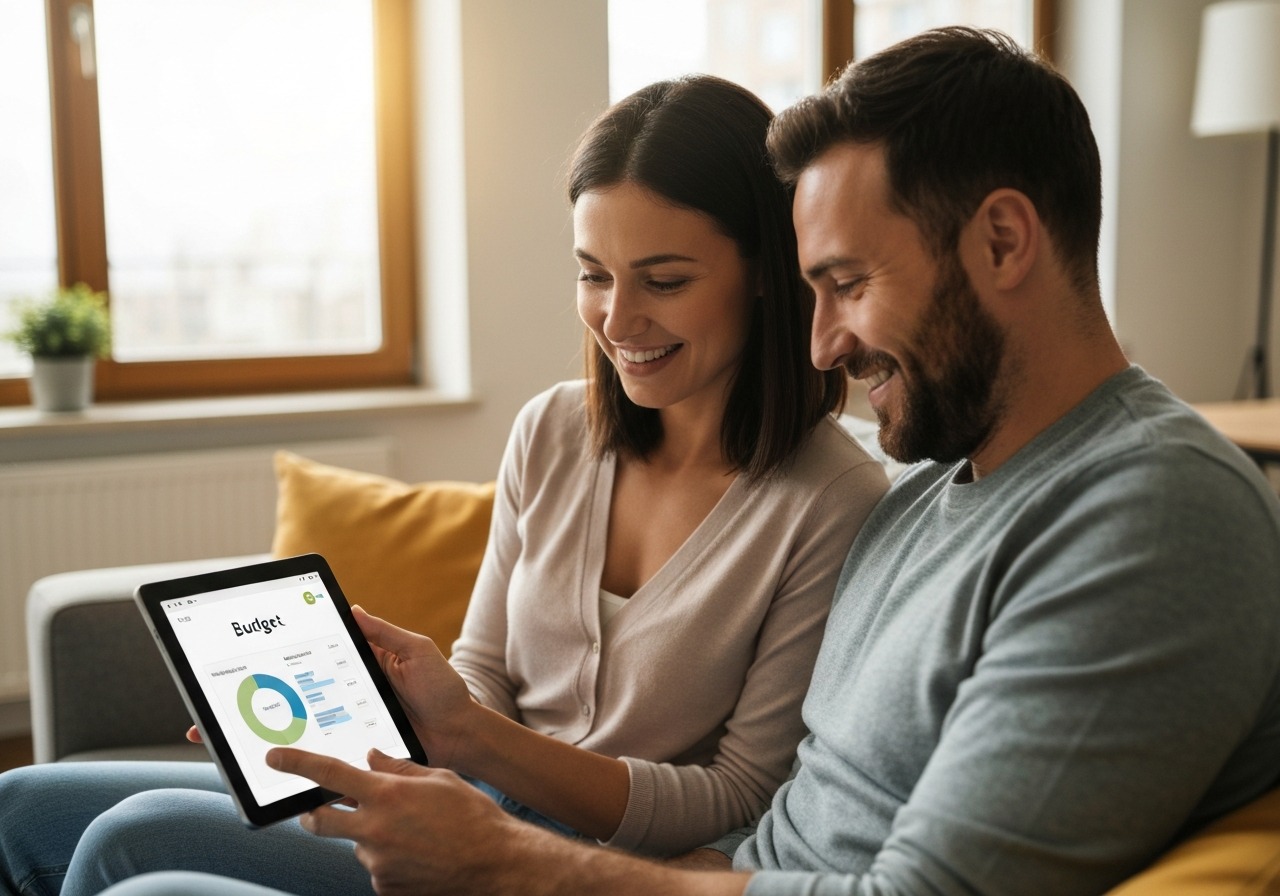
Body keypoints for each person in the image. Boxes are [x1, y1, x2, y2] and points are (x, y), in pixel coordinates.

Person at [69, 24, 1280, 896]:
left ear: (1004, 238)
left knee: (138, 868)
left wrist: (516, 862)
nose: (820, 344)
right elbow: (778, 823)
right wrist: (472, 772)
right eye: (813, 290)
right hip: (648, 871)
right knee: (89, 830)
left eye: (846, 285)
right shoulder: (929, 492)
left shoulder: (1148, 512)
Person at [0, 75, 890, 896]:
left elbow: (740, 795)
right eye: (593, 274)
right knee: (19, 804)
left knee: (137, 838)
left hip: (582, 861)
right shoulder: (554, 428)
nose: (619, 320)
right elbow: (487, 668)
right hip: (462, 791)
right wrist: (421, 734)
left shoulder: (833, 501)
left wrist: (473, 745)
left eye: (664, 280)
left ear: (770, 274)